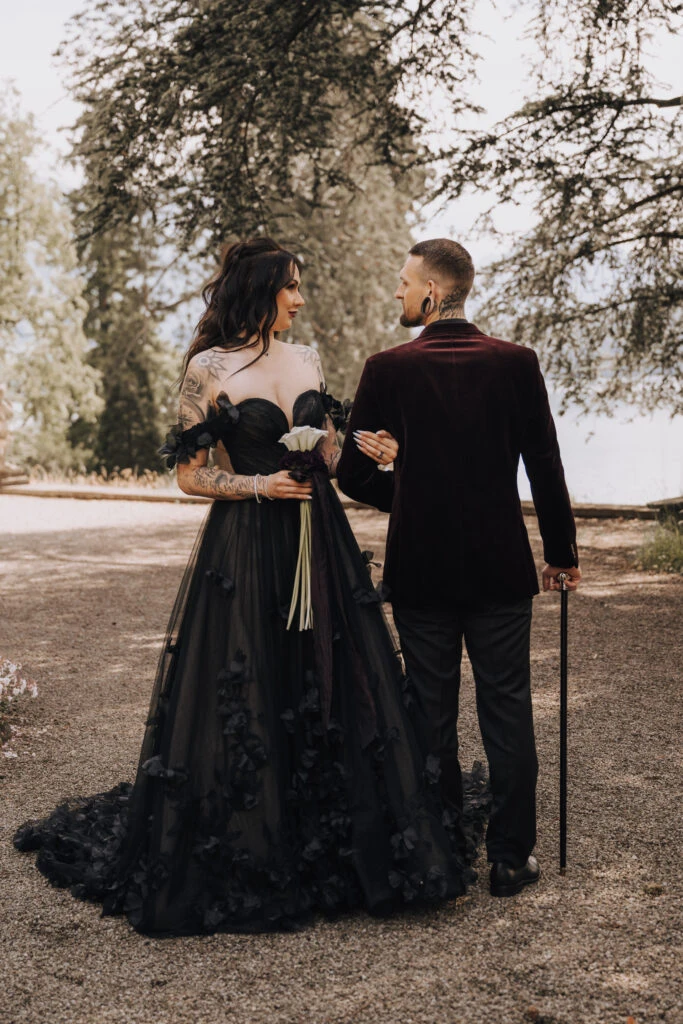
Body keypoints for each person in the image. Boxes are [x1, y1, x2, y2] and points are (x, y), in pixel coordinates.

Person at [13, 237, 489, 936]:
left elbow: (323, 449)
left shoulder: (306, 358)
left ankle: (341, 829)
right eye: (291, 287)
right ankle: (256, 832)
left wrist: (360, 445)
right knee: (252, 678)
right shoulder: (206, 368)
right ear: (262, 291)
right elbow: (189, 474)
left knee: (334, 672)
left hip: (318, 539)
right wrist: (256, 484)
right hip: (247, 542)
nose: (299, 299)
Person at [337, 238, 582, 899]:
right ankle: (509, 859)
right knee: (507, 710)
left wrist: (410, 500)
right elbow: (545, 466)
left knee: (428, 714)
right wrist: (561, 555)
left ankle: (440, 855)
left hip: (423, 572)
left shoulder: (386, 369)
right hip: (499, 567)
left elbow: (351, 472)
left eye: (404, 282)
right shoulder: (515, 363)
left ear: (434, 292)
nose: (397, 292)